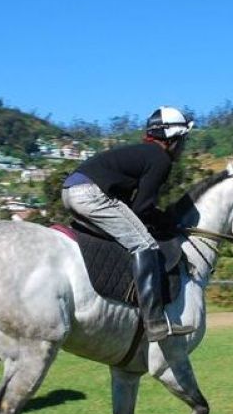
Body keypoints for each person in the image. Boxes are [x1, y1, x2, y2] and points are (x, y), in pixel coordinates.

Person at [61, 106, 194, 342]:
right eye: (182, 140)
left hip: (70, 190)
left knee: (128, 236)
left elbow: (134, 207)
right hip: (90, 193)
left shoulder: (144, 153)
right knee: (146, 245)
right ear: (171, 139)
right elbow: (142, 208)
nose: (183, 147)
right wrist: (166, 221)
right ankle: (154, 322)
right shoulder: (161, 159)